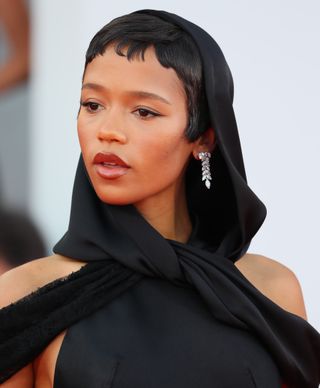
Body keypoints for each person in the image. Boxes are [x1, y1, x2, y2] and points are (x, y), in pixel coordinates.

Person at [0, 9, 319, 388]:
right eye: (92, 105)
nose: (109, 131)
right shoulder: (27, 295)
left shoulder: (271, 290)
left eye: (144, 111)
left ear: (203, 138)